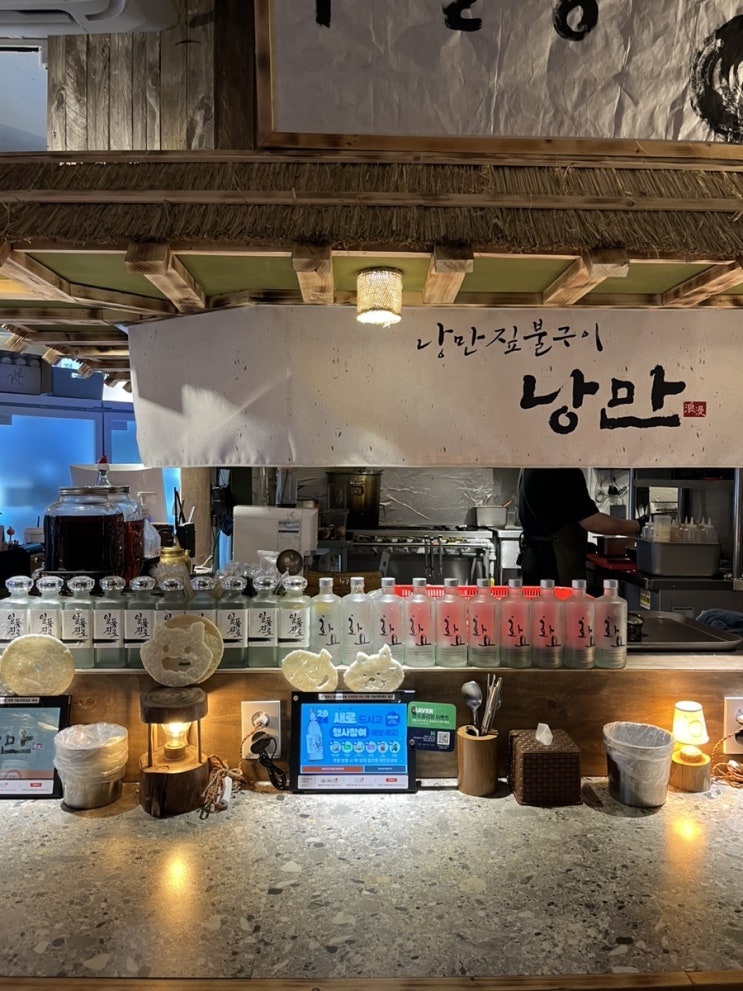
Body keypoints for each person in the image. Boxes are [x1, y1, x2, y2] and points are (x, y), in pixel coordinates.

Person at [518, 468, 646, 586]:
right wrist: (638, 525)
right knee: (560, 604)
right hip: (555, 566)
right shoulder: (562, 470)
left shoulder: (530, 467)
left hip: (533, 563)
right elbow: (594, 522)